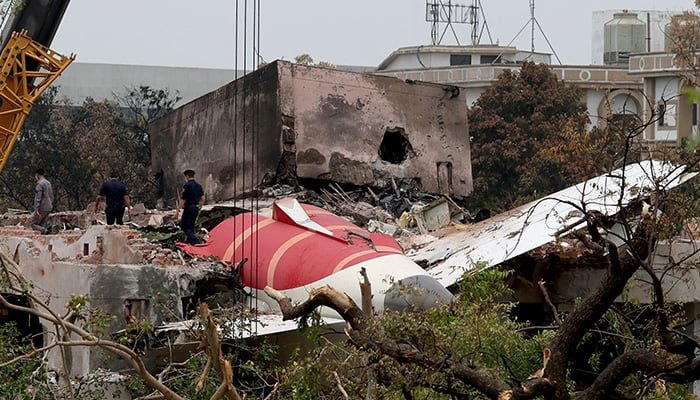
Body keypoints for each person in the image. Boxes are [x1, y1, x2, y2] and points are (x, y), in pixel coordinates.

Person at [176, 169, 205, 244]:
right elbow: (203, 199)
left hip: (189, 208)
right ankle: (191, 243)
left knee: (184, 226)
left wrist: (177, 211)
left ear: (187, 176)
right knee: (191, 226)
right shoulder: (199, 186)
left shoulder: (187, 186)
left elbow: (183, 199)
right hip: (195, 208)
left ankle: (197, 241)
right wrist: (199, 207)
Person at [32, 168, 54, 234]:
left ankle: (46, 231)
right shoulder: (48, 183)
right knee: (42, 225)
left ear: (37, 174)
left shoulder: (40, 184)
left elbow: (38, 198)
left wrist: (36, 210)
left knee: (34, 224)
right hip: (49, 207)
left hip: (42, 207)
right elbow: (52, 196)